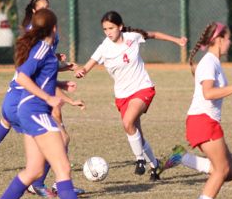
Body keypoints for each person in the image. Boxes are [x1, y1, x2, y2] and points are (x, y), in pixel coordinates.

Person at [0, 8, 105, 199]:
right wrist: (48, 97)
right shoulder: (42, 49)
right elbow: (22, 76)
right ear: (54, 29)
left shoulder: (45, 50)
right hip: (35, 111)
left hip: (30, 111)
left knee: (34, 170)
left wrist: (61, 85)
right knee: (63, 167)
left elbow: (42, 77)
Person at [0, 0, 84, 198]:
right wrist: (53, 96)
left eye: (49, 7)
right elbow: (24, 76)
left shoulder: (44, 43)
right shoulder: (39, 41)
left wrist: (60, 74)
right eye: (42, 8)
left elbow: (39, 73)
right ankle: (48, 184)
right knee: (60, 139)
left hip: (17, 100)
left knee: (39, 160)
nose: (47, 10)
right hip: (24, 101)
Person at [75, 11, 187, 181]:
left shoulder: (132, 37)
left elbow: (154, 34)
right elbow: (88, 66)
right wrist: (81, 71)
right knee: (136, 134)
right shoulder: (104, 48)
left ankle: (139, 160)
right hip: (122, 96)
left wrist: (177, 40)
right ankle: (156, 165)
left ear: (120, 27)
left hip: (142, 88)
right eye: (105, 29)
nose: (108, 32)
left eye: (111, 28)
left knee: (127, 123)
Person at [171, 21, 232, 199]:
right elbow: (208, 93)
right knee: (221, 170)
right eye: (228, 38)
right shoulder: (208, 63)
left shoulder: (213, 62)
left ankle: (182, 157)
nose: (230, 42)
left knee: (230, 171)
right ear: (218, 39)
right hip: (202, 120)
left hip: (207, 121)